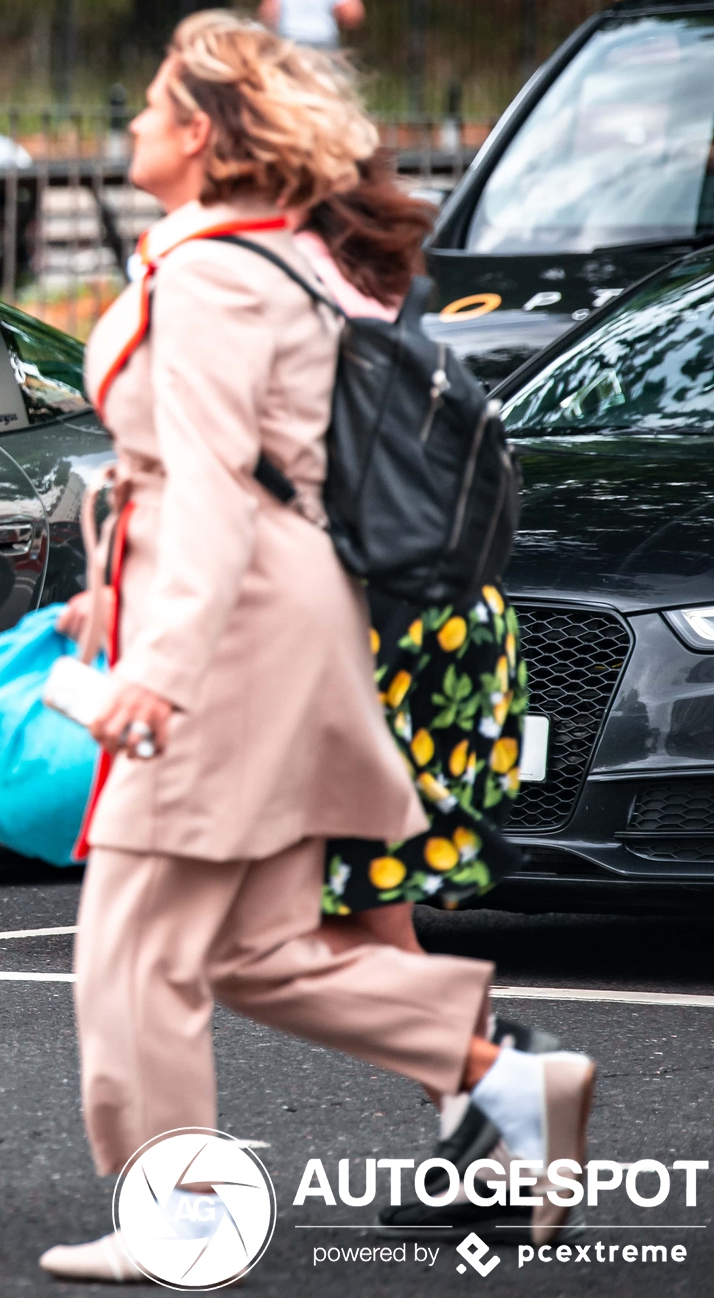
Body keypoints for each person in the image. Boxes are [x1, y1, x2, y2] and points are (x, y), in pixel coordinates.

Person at [39, 12, 596, 1281]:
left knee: (131, 949)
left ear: (198, 134)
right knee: (254, 949)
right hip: (272, 622)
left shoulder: (215, 276)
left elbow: (222, 493)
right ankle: (506, 1081)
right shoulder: (274, 258)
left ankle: (172, 1228)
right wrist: (108, 606)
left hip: (231, 641)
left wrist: (158, 673)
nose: (128, 121)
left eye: (146, 104)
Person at [295, 168, 545, 1230]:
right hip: (451, 633)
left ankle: (491, 1078)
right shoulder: (406, 341)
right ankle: (486, 1114)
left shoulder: (313, 342)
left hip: (382, 640)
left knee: (326, 908)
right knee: (358, 900)